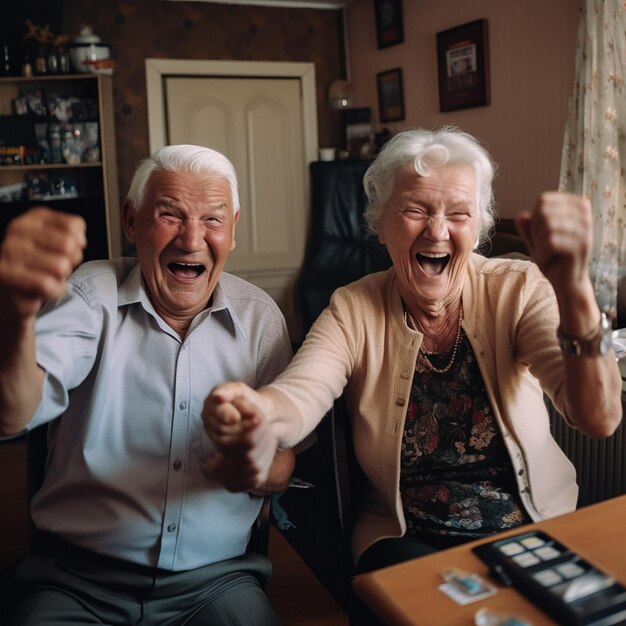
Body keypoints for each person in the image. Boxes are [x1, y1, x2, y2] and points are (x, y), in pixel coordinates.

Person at [203, 126, 623, 575]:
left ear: (478, 229)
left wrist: (576, 293)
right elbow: (302, 393)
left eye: (458, 213)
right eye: (415, 210)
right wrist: (259, 415)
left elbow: (597, 417)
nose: (437, 231)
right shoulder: (353, 308)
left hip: (535, 527)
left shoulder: (516, 290)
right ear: (380, 224)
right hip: (408, 536)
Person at [0, 144, 295, 625]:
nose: (192, 238)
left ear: (234, 229)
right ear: (132, 221)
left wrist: (258, 465)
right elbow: (11, 412)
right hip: (78, 579)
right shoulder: (91, 293)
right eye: (170, 215)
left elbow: (288, 461)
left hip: (217, 581)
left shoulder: (259, 317)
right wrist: (13, 314)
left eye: (213, 219)